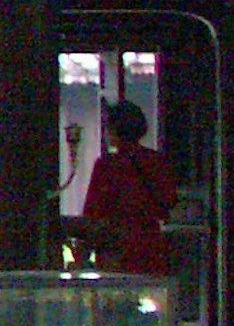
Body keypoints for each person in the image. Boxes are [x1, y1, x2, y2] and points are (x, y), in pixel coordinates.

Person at [69, 99, 177, 277]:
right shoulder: (155, 161)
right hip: (151, 245)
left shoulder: (107, 166)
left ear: (114, 129)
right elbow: (169, 201)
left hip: (115, 249)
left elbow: (93, 212)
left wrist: (83, 252)